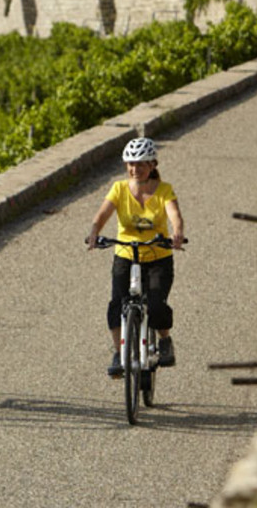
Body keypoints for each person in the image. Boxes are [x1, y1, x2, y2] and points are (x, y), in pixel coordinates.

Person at [87, 137, 185, 377]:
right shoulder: (119, 189)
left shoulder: (163, 190)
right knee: (116, 304)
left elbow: (174, 214)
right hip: (126, 254)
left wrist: (177, 233)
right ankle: (119, 352)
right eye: (130, 164)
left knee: (155, 304)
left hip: (157, 255)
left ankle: (164, 341)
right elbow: (103, 213)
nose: (135, 169)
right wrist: (94, 232)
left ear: (152, 165)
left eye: (141, 164)